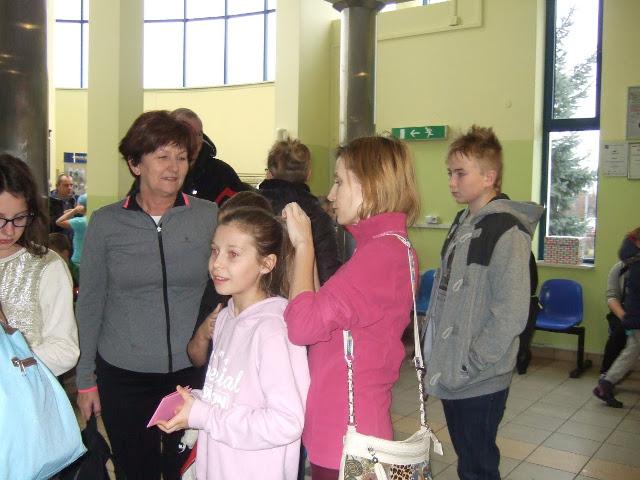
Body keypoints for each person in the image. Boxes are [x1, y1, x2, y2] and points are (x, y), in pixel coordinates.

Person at [74, 110, 218, 480]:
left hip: (191, 373)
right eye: (162, 156)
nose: (174, 167)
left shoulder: (209, 216)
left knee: (187, 470)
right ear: (135, 164)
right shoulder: (106, 223)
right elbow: (90, 303)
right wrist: (86, 378)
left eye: (182, 157)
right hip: (124, 375)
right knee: (134, 470)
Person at [282, 136, 420, 479]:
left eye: (339, 181)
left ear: (369, 185)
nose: (331, 194)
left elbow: (302, 326)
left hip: (346, 433)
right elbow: (320, 315)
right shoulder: (383, 248)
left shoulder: (380, 256)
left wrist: (304, 245)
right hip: (347, 426)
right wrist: (305, 250)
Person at [422, 126, 543, 480]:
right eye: (449, 173)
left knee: (478, 467)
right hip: (454, 368)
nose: (451, 182)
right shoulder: (463, 223)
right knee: (468, 461)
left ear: (489, 177)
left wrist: (471, 362)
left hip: (479, 375)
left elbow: (511, 314)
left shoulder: (507, 231)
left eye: (460, 173)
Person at [157, 206, 310, 480]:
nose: (217, 264)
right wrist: (194, 403)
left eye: (233, 254)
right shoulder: (226, 317)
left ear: (267, 264)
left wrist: (203, 415)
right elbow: (234, 397)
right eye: (215, 251)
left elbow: (286, 422)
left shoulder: (273, 329)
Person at [0, 153, 79, 376]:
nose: (9, 230)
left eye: (19, 218)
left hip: (21, 393)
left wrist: (9, 362)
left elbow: (65, 351)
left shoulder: (45, 265)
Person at [259, 139, 341, 285]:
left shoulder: (249, 206)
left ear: (269, 174)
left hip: (252, 295)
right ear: (308, 174)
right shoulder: (319, 215)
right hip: (300, 294)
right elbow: (328, 274)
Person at [593, 227, 640, 408]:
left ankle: (606, 384)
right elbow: (612, 297)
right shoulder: (624, 268)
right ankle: (606, 381)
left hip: (632, 315)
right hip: (627, 315)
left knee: (631, 351)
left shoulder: (634, 264)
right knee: (624, 343)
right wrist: (624, 317)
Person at [171, 108, 248, 206]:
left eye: (199, 134)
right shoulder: (161, 172)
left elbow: (239, 211)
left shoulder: (221, 174)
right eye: (188, 134)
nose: (195, 141)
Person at [597, 260, 631, 380]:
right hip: (622, 312)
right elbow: (612, 298)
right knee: (619, 331)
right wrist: (625, 318)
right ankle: (607, 374)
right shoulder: (619, 268)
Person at [56, 192, 87, 275]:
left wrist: (74, 211)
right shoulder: (95, 219)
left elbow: (59, 222)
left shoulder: (80, 222)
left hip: (78, 261)